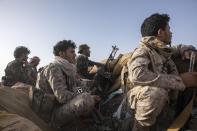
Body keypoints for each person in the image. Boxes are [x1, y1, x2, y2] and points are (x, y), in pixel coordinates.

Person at [125, 13, 197, 131]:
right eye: (169, 29)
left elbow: (177, 48)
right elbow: (137, 75)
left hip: (163, 102)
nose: (171, 32)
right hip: (140, 100)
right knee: (154, 94)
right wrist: (179, 81)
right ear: (160, 32)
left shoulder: (162, 50)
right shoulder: (143, 50)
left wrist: (186, 49)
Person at [34, 40, 100, 130]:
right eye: (72, 52)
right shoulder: (54, 68)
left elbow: (77, 86)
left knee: (86, 89)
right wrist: (87, 96)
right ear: (62, 54)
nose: (75, 55)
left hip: (61, 106)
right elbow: (62, 96)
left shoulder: (68, 68)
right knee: (86, 99)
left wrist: (86, 89)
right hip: (52, 114)